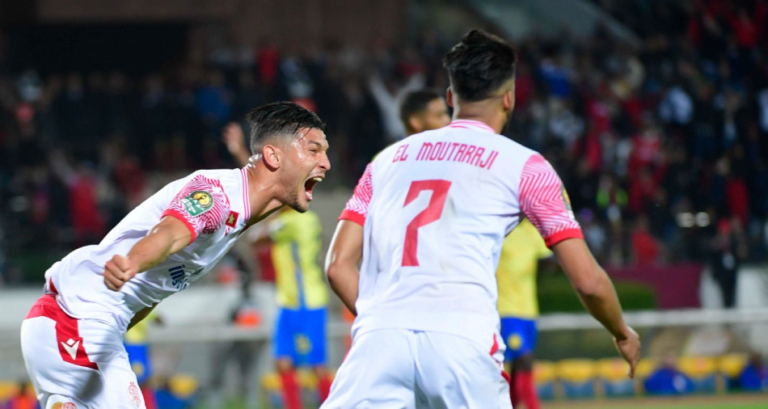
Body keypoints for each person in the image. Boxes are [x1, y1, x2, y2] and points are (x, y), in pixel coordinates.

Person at [323, 30, 640, 408]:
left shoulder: (385, 161)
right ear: (509, 98)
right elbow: (588, 281)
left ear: (451, 97)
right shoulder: (527, 167)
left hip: (377, 344)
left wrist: (384, 320)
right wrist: (621, 331)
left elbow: (337, 265)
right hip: (461, 343)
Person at [20, 101, 330, 409]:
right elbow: (169, 233)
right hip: (77, 318)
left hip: (78, 325)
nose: (326, 163)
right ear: (273, 156)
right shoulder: (217, 197)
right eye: (313, 150)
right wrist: (133, 261)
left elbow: (151, 288)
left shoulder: (239, 213)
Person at [223, 121, 334, 408]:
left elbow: (257, 236)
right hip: (289, 302)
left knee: (316, 366)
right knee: (283, 363)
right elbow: (267, 183)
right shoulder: (287, 218)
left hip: (307, 302)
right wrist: (240, 152)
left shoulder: (298, 221)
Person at [496, 218, 552, 409]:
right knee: (524, 360)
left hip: (529, 311)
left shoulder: (532, 229)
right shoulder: (500, 227)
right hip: (506, 309)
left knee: (517, 367)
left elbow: (548, 261)